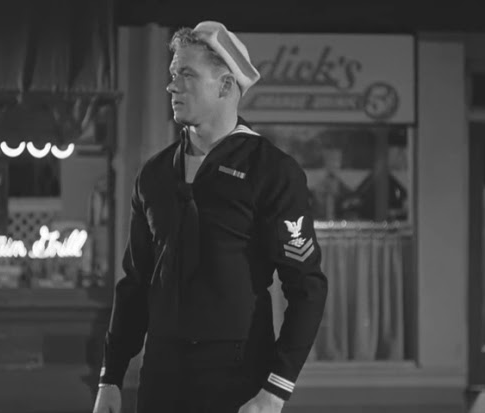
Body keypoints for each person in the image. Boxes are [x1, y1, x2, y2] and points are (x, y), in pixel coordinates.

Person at [92, 21, 327, 413]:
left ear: (225, 85)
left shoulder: (271, 170)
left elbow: (308, 288)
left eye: (187, 74)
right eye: (172, 75)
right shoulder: (154, 174)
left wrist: (275, 391)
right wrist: (110, 377)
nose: (172, 87)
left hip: (237, 380)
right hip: (160, 379)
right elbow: (135, 283)